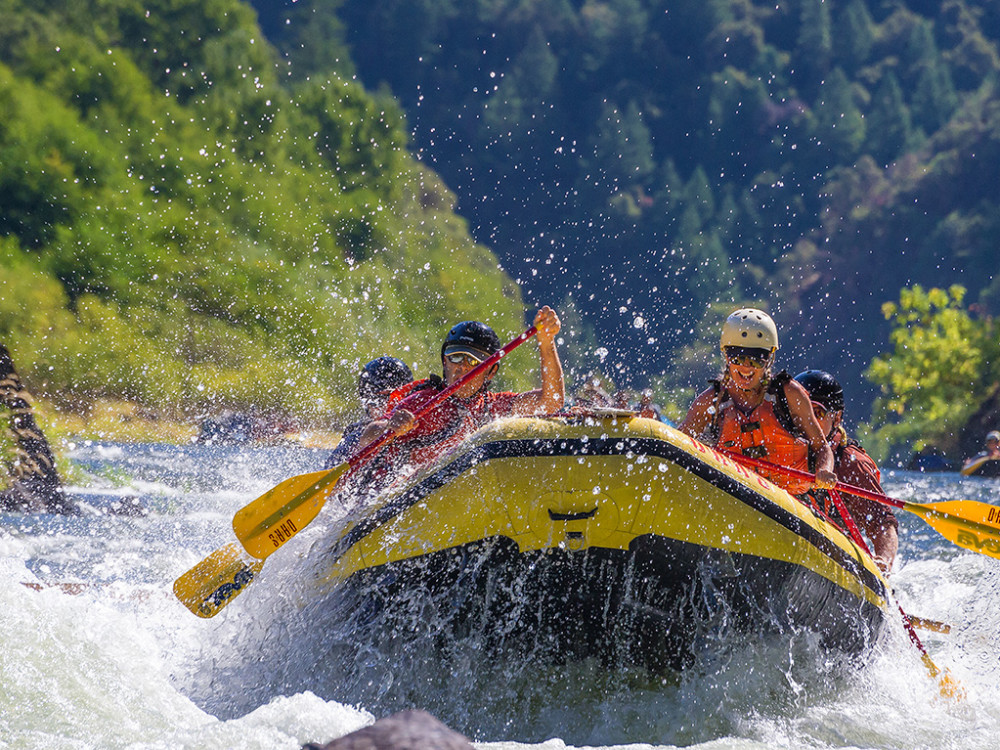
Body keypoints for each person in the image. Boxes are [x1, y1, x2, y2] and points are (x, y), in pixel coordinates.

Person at [359, 306, 564, 472]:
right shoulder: (423, 402)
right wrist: (390, 426)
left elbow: (551, 401)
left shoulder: (493, 406)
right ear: (444, 362)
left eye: (475, 362)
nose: (463, 367)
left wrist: (546, 342)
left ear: (490, 372)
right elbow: (369, 434)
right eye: (455, 357)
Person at [678, 307, 836, 495]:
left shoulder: (789, 394)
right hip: (732, 498)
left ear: (770, 359)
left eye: (756, 360)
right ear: (726, 357)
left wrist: (824, 470)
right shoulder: (710, 402)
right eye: (738, 357)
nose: (746, 367)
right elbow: (677, 444)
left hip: (792, 501)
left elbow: (822, 447)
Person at [794, 370, 899, 574]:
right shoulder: (779, 448)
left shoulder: (851, 464)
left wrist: (883, 562)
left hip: (835, 563)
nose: (807, 422)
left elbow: (883, 523)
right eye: (799, 412)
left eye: (817, 413)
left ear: (837, 418)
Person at [323, 356, 414, 469]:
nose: (387, 406)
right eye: (377, 400)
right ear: (366, 403)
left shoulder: (420, 428)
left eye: (395, 399)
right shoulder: (356, 434)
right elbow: (330, 473)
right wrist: (387, 426)